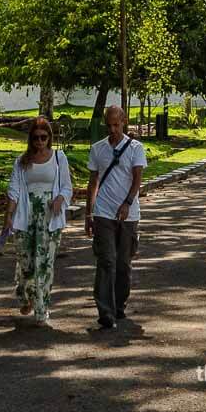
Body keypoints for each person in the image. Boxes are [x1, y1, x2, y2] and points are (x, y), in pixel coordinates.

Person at [0, 116, 73, 327]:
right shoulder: (22, 162)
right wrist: (8, 217)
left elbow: (67, 187)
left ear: (49, 138)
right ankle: (26, 295)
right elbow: (13, 191)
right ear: (30, 139)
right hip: (26, 213)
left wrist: (60, 199)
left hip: (49, 216)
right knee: (27, 262)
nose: (39, 142)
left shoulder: (59, 158)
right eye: (35, 138)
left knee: (44, 263)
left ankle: (42, 309)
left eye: (43, 137)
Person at [85, 105, 147, 330]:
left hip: (128, 215)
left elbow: (137, 179)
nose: (112, 129)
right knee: (106, 260)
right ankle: (105, 311)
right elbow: (93, 182)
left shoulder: (136, 148)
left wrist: (128, 203)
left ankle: (119, 304)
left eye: (116, 124)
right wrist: (88, 213)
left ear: (124, 122)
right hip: (103, 213)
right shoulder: (98, 149)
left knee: (123, 263)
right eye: (109, 125)